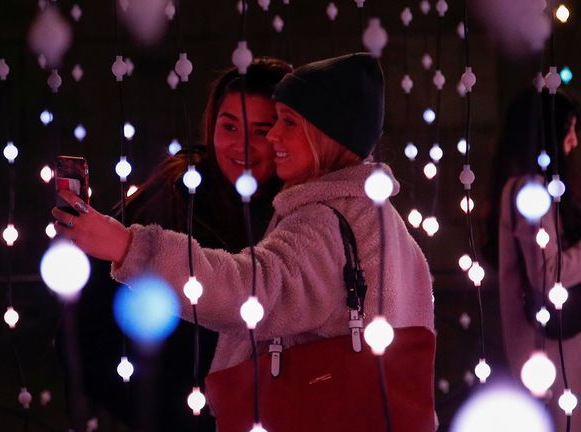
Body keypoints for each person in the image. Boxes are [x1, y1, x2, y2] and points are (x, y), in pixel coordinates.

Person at [55, 53, 435, 430]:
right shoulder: (378, 216)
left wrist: (129, 247)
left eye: (283, 123)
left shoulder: (320, 220)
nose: (268, 138)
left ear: (324, 136)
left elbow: (248, 290)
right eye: (230, 126)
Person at [75, 58, 290, 431]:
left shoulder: (301, 217)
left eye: (261, 130)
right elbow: (83, 329)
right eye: (229, 126)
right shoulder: (171, 199)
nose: (242, 146)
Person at [485, 88, 581, 431]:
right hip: (550, 348)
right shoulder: (530, 191)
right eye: (568, 127)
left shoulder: (538, 187)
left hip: (556, 344)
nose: (573, 139)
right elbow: (547, 271)